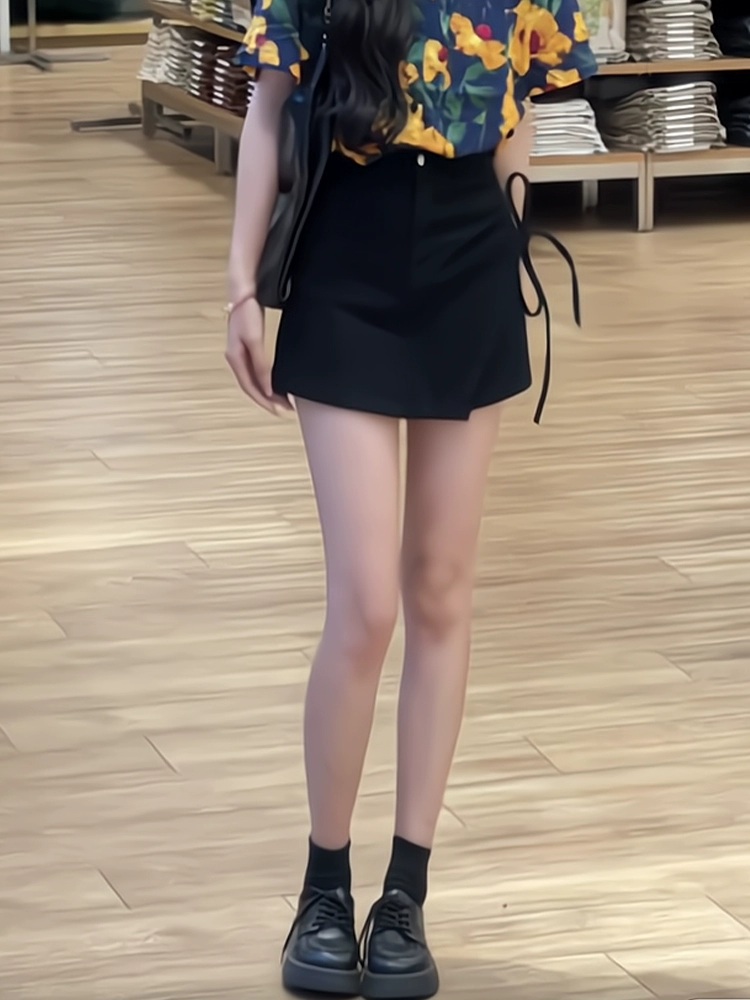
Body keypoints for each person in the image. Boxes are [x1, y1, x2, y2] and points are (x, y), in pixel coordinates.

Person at [225, 2, 596, 996]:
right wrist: (241, 288)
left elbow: (519, 109)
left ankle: (406, 893)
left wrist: (507, 241)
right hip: (345, 254)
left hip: (471, 257)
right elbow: (267, 108)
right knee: (365, 604)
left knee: (438, 589)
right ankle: (323, 885)